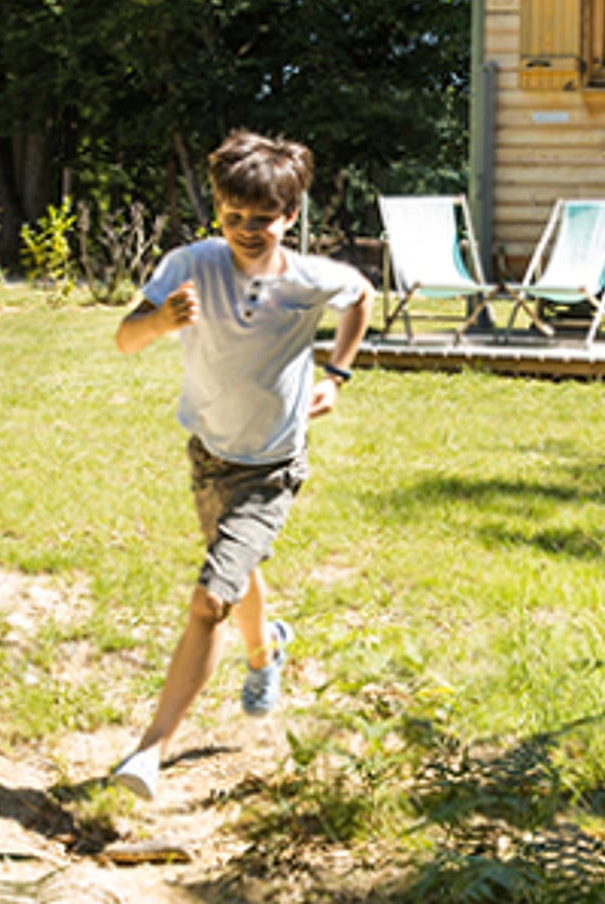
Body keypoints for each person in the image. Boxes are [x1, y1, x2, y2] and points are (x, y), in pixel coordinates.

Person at [111, 129, 375, 800]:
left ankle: (149, 752)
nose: (248, 230)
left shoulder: (310, 279)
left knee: (210, 598)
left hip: (271, 467)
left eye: (264, 219)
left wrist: (336, 376)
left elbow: (361, 297)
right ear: (219, 211)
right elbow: (124, 339)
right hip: (209, 453)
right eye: (234, 217)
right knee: (237, 568)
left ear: (291, 215)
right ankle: (267, 652)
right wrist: (162, 321)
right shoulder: (190, 264)